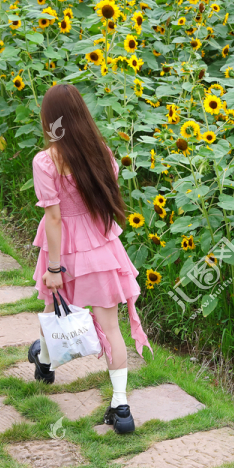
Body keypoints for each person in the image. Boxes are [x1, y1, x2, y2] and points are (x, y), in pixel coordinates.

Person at [28, 83, 151, 434]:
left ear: (51, 120)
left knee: (54, 313)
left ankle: (46, 361)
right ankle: (121, 406)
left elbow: (54, 218)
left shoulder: (46, 161)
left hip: (64, 249)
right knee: (110, 328)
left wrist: (53, 267)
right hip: (101, 248)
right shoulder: (102, 154)